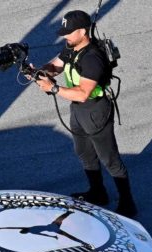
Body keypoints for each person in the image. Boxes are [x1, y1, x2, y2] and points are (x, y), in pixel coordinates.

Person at [34, 10, 137, 217]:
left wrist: (53, 89)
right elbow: (56, 65)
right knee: (84, 153)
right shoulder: (71, 48)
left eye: (69, 32)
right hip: (78, 111)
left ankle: (128, 203)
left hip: (95, 110)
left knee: (110, 160)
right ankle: (98, 193)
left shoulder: (92, 58)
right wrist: (40, 72)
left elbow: (83, 93)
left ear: (82, 31)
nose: (65, 36)